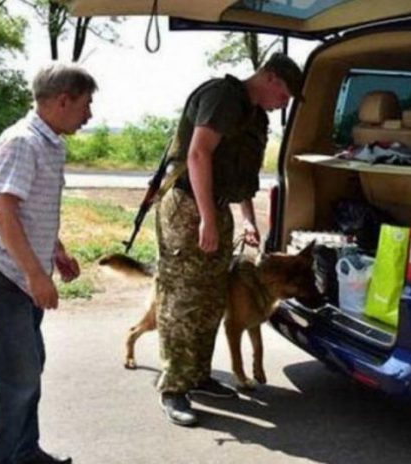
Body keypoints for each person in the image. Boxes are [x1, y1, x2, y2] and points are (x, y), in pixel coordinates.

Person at [155, 53, 304, 426]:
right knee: (184, 298)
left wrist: (248, 219)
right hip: (188, 206)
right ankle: (174, 387)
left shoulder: (254, 115)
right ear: (270, 77)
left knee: (211, 297)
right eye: (283, 95)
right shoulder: (223, 96)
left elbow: (241, 176)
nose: (282, 104)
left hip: (213, 208)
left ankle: (199, 376)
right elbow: (198, 153)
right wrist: (206, 218)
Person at [0, 64, 96, 463]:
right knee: (17, 382)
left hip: (24, 275)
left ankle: (24, 453)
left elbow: (31, 209)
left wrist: (56, 250)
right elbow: (2, 214)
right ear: (63, 100)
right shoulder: (21, 142)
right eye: (86, 104)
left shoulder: (50, 143)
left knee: (30, 372)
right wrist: (35, 274)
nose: (89, 115)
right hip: (4, 278)